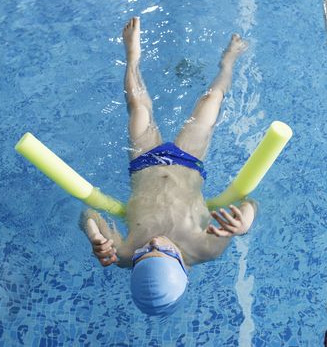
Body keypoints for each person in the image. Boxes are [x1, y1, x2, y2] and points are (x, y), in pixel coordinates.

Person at [80, 17, 256, 316]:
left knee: (137, 106)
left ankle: (132, 58)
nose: (152, 244)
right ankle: (228, 62)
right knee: (211, 100)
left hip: (143, 163)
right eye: (160, 252)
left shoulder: (123, 253)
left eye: (143, 254)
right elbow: (251, 201)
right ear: (181, 265)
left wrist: (94, 235)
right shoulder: (206, 249)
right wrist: (245, 222)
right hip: (188, 161)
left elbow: (88, 212)